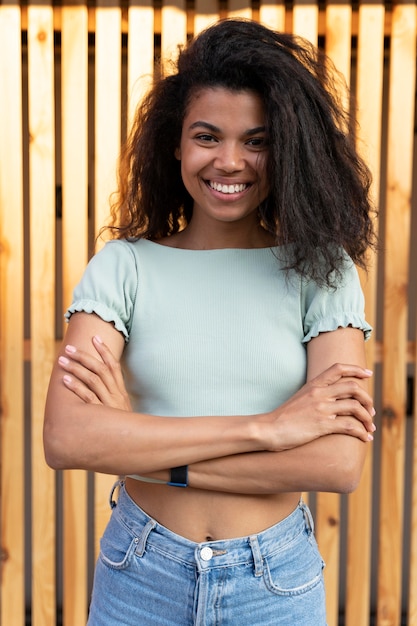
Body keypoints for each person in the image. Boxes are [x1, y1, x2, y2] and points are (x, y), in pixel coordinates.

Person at [44, 18, 376, 625]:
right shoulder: (124, 268)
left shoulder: (322, 272)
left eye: (257, 140)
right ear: (176, 144)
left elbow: (336, 464)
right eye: (207, 136)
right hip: (139, 572)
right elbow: (67, 439)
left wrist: (133, 440)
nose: (230, 161)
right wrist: (268, 429)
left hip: (273, 581)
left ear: (288, 149)